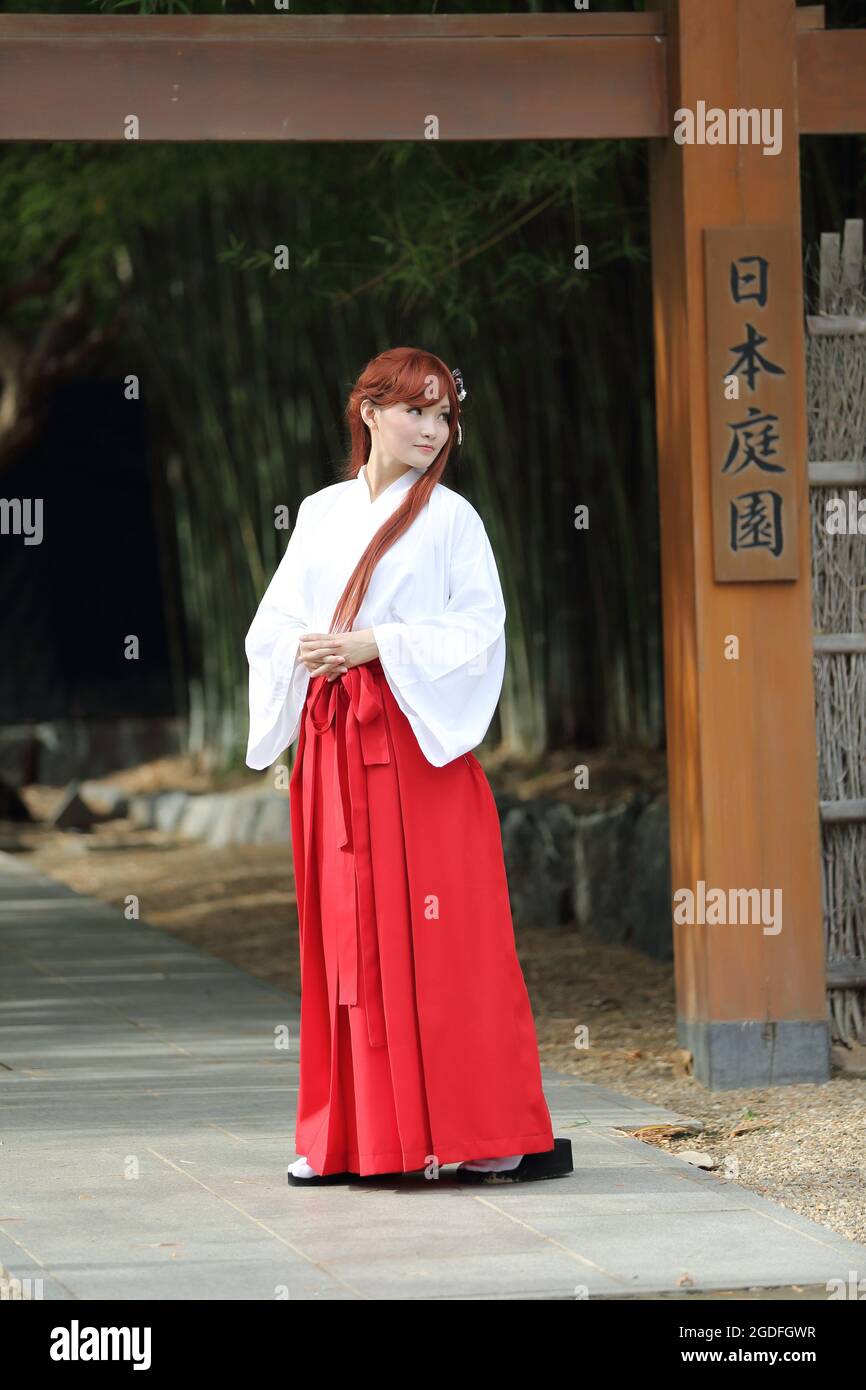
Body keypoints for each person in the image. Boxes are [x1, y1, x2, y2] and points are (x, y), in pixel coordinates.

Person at [244, 346, 572, 1187]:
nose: (431, 430)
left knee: (447, 934)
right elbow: (270, 623)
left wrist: (377, 643)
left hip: (417, 743)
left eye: (442, 416)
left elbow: (480, 629)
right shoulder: (319, 513)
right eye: (414, 411)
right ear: (369, 413)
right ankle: (350, 1138)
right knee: (347, 936)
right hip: (335, 744)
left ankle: (480, 1130)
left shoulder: (454, 519)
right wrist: (305, 650)